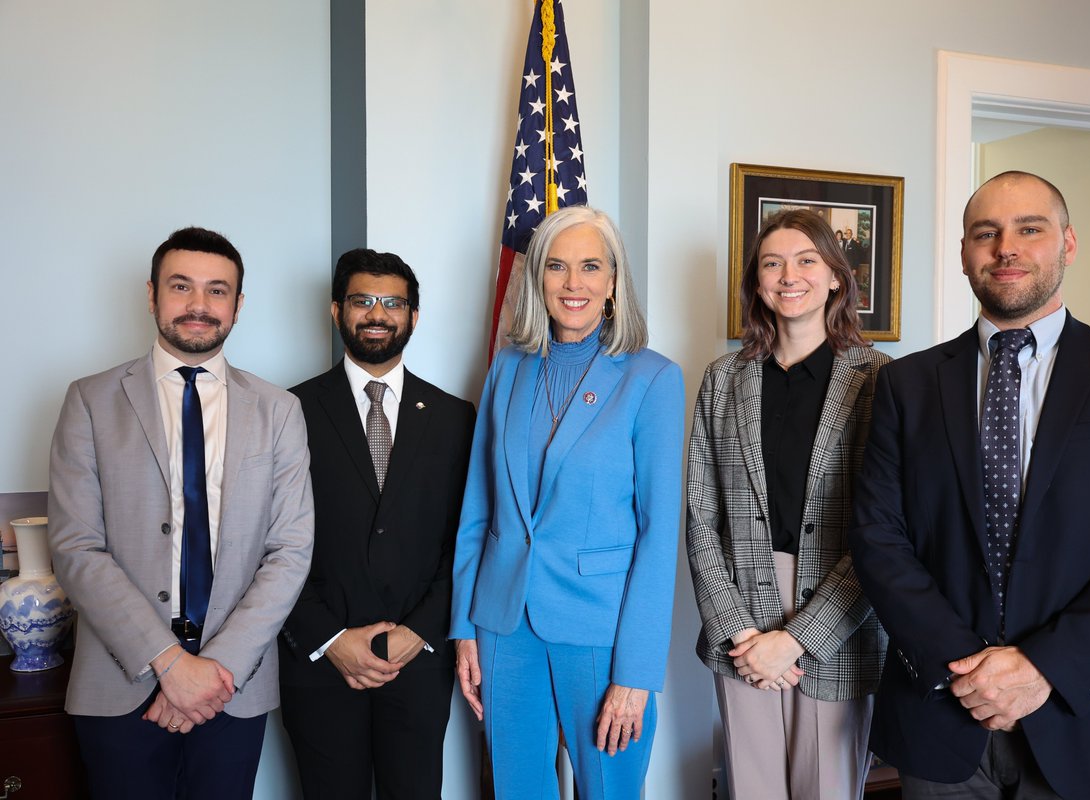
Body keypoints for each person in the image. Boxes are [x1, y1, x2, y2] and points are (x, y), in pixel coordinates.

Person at [849, 171, 1090, 800]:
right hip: (944, 714)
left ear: (1066, 243)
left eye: (1028, 229)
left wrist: (1043, 668)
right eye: (986, 233)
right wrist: (971, 672)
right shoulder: (906, 385)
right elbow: (880, 539)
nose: (1005, 247)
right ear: (963, 254)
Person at [47, 226, 315, 800]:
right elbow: (75, 547)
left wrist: (212, 671)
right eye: (181, 286)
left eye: (217, 291)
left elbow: (289, 551)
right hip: (119, 683)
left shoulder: (279, 411)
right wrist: (170, 664)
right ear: (152, 295)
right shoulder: (89, 401)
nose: (199, 305)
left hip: (232, 685)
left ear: (238, 306)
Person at [450, 206, 684, 799]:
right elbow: (480, 507)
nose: (572, 283)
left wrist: (635, 673)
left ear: (613, 282)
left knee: (608, 790)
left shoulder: (652, 380)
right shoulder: (508, 367)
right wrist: (464, 628)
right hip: (503, 626)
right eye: (556, 266)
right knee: (519, 790)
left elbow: (659, 537)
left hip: (601, 633)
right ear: (538, 279)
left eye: (589, 267)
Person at [687, 209, 888, 799]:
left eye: (806, 260)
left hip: (840, 612)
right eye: (772, 263)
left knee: (825, 789)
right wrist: (738, 632)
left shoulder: (881, 380)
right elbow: (702, 516)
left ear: (836, 278)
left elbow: (886, 531)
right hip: (741, 621)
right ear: (756, 283)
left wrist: (800, 639)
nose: (788, 275)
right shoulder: (723, 378)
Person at [278, 249, 475, 799]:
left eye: (393, 302)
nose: (377, 313)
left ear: (414, 315)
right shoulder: (287, 411)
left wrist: (419, 631)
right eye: (363, 300)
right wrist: (328, 638)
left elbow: (469, 537)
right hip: (318, 664)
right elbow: (267, 542)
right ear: (336, 310)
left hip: (417, 663)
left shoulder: (456, 417)